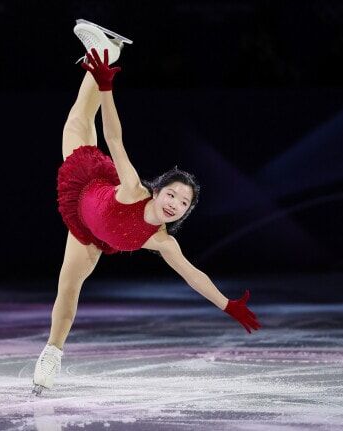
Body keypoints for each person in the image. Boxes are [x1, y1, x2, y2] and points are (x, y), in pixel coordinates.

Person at [32, 21, 261, 396]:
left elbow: (193, 275)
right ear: (158, 191)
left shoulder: (162, 240)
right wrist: (107, 89)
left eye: (183, 203)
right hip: (87, 182)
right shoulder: (133, 188)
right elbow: (114, 138)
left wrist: (227, 305)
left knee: (68, 291)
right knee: (78, 120)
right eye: (172, 195)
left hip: (88, 236)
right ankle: (104, 57)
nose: (175, 204)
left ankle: (51, 354)